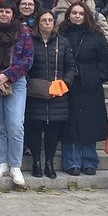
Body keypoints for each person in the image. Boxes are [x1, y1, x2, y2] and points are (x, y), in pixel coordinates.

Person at [0, 1, 34, 188]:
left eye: (7, 11)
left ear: (13, 14)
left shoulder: (23, 33)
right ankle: (2, 161)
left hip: (16, 82)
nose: (3, 14)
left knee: (16, 124)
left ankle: (15, 165)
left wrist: (7, 76)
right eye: (0, 11)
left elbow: (28, 58)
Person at [24, 10, 76, 179]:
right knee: (35, 128)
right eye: (43, 20)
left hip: (57, 92)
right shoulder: (29, 42)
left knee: (52, 129)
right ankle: (36, 163)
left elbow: (71, 67)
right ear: (37, 23)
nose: (47, 23)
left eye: (50, 20)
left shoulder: (63, 42)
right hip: (35, 92)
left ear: (54, 23)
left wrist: (65, 83)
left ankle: (49, 163)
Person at [60, 3, 108, 176]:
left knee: (90, 124)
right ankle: (71, 161)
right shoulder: (61, 34)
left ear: (86, 16)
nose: (77, 16)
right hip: (68, 84)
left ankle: (89, 161)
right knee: (70, 124)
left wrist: (98, 76)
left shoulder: (96, 36)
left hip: (90, 85)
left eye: (81, 13)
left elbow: (105, 60)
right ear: (68, 15)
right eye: (74, 13)